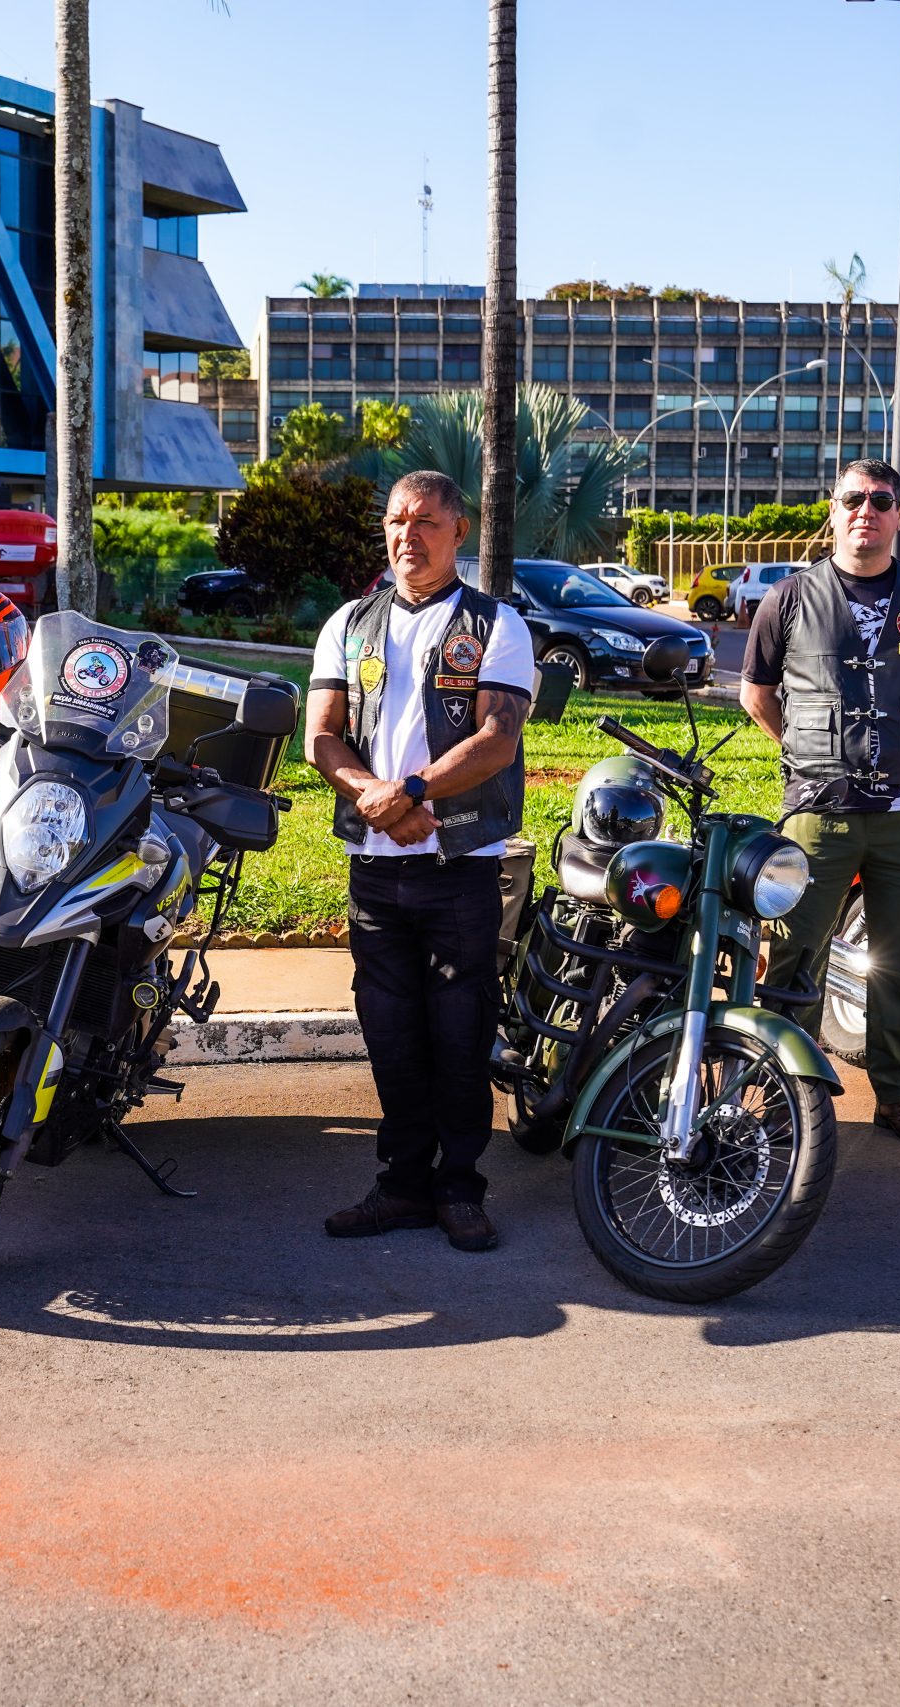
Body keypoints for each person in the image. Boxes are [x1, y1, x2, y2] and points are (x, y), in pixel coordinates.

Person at [306, 470, 536, 1252]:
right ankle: (403, 1183)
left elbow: (496, 739)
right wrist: (376, 798)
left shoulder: (496, 624)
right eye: (397, 521)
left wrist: (408, 792)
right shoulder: (349, 623)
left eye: (427, 521)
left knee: (460, 1029)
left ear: (459, 531)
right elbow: (321, 735)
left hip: (459, 866)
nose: (409, 535)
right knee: (392, 1030)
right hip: (375, 868)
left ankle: (460, 1186)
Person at [743, 458, 900, 1145]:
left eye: (880, 499)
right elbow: (756, 694)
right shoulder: (788, 597)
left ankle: (897, 1096)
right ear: (833, 510)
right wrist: (817, 752)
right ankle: (779, 1096)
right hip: (819, 812)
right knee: (793, 956)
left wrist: (895, 748)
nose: (865, 510)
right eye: (852, 499)